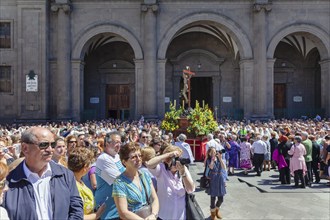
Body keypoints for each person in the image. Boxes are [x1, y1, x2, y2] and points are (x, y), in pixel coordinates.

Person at [4, 127, 83, 219]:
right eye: (43, 145)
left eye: (52, 145)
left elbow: (76, 209)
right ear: (25, 148)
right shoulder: (8, 182)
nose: (50, 150)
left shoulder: (65, 175)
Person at [146, 145, 195, 220]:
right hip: (164, 216)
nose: (177, 162)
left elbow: (190, 189)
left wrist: (183, 174)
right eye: (175, 159)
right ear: (167, 160)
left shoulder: (183, 169)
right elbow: (149, 164)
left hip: (180, 217)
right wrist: (169, 154)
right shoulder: (161, 169)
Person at [112, 142, 159, 220]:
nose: (138, 159)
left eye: (139, 155)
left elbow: (154, 199)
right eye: (134, 157)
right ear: (124, 162)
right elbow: (123, 213)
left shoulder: (145, 175)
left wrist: (153, 215)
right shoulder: (119, 182)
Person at [68, 147, 106, 219]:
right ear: (85, 167)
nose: (90, 166)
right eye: (90, 164)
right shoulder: (73, 187)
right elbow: (77, 217)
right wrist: (97, 214)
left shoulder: (79, 181)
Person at [95, 131, 125, 219]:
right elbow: (120, 180)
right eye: (116, 142)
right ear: (107, 143)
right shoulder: (103, 158)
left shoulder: (117, 156)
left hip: (117, 208)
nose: (119, 145)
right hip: (108, 211)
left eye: (120, 142)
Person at [206, 147, 226, 220]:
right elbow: (211, 167)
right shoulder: (208, 160)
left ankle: (217, 211)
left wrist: (220, 159)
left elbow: (224, 168)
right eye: (212, 152)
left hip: (220, 178)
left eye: (215, 152)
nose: (214, 153)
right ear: (209, 153)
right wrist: (212, 160)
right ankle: (213, 215)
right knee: (213, 198)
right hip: (213, 178)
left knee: (221, 199)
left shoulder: (220, 159)